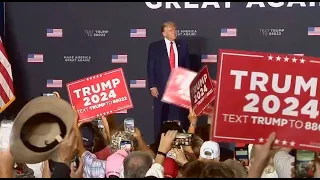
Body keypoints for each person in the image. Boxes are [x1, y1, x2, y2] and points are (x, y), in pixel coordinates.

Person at [147, 21, 190, 139]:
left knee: (180, 116)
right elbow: (150, 67)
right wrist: (152, 86)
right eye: (171, 30)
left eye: (175, 30)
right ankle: (158, 143)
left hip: (179, 88)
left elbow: (186, 66)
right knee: (160, 117)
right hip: (161, 87)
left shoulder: (183, 45)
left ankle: (181, 141)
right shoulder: (155, 47)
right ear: (163, 33)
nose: (174, 32)